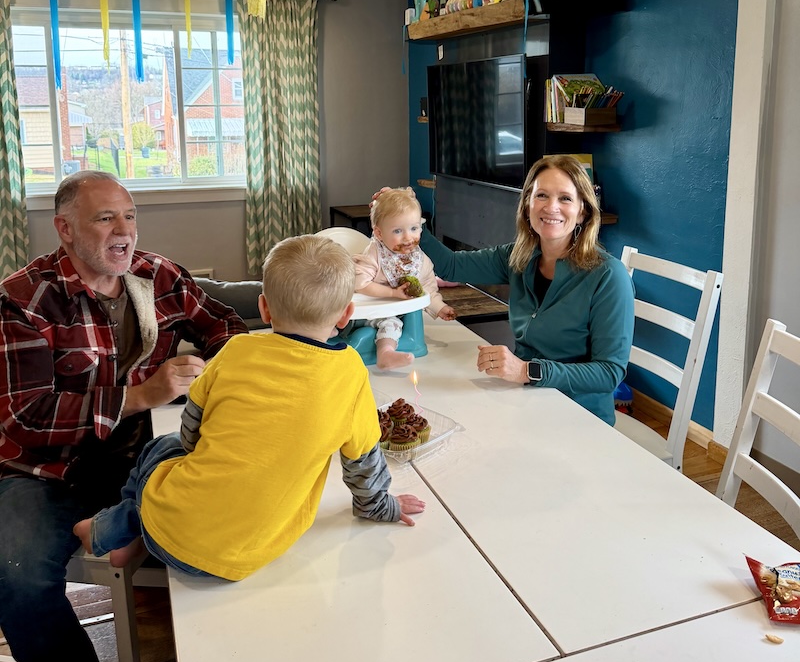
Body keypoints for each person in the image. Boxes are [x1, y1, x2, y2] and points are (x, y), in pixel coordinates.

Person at [0, 171, 248, 662]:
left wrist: (207, 370)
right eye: (104, 217)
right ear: (64, 228)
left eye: (130, 216)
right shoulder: (25, 300)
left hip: (141, 454)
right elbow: (25, 418)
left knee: (232, 523)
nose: (124, 231)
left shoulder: (156, 275)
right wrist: (139, 396)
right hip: (47, 473)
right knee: (16, 580)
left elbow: (226, 325)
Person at [73, 234, 425, 581]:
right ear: (347, 314)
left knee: (164, 446)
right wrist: (381, 507)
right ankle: (132, 529)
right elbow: (364, 462)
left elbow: (191, 434)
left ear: (264, 308)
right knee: (173, 454)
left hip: (171, 527)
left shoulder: (236, 349)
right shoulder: (351, 374)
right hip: (246, 556)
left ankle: (115, 529)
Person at [390, 155, 634, 425]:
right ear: (528, 204)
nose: (551, 207)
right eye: (541, 195)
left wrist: (528, 371)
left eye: (565, 198)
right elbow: (451, 266)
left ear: (583, 212)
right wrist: (405, 223)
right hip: (524, 400)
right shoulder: (519, 256)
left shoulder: (609, 276)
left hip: (580, 417)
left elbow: (609, 372)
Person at [353, 187, 456, 370]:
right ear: (379, 233)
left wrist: (440, 307)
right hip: (371, 310)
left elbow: (427, 287)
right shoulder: (375, 254)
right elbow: (359, 283)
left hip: (400, 310)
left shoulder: (419, 259)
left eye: (414, 228)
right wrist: (391, 292)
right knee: (390, 323)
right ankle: (385, 354)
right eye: (398, 231)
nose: (408, 237)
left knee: (400, 319)